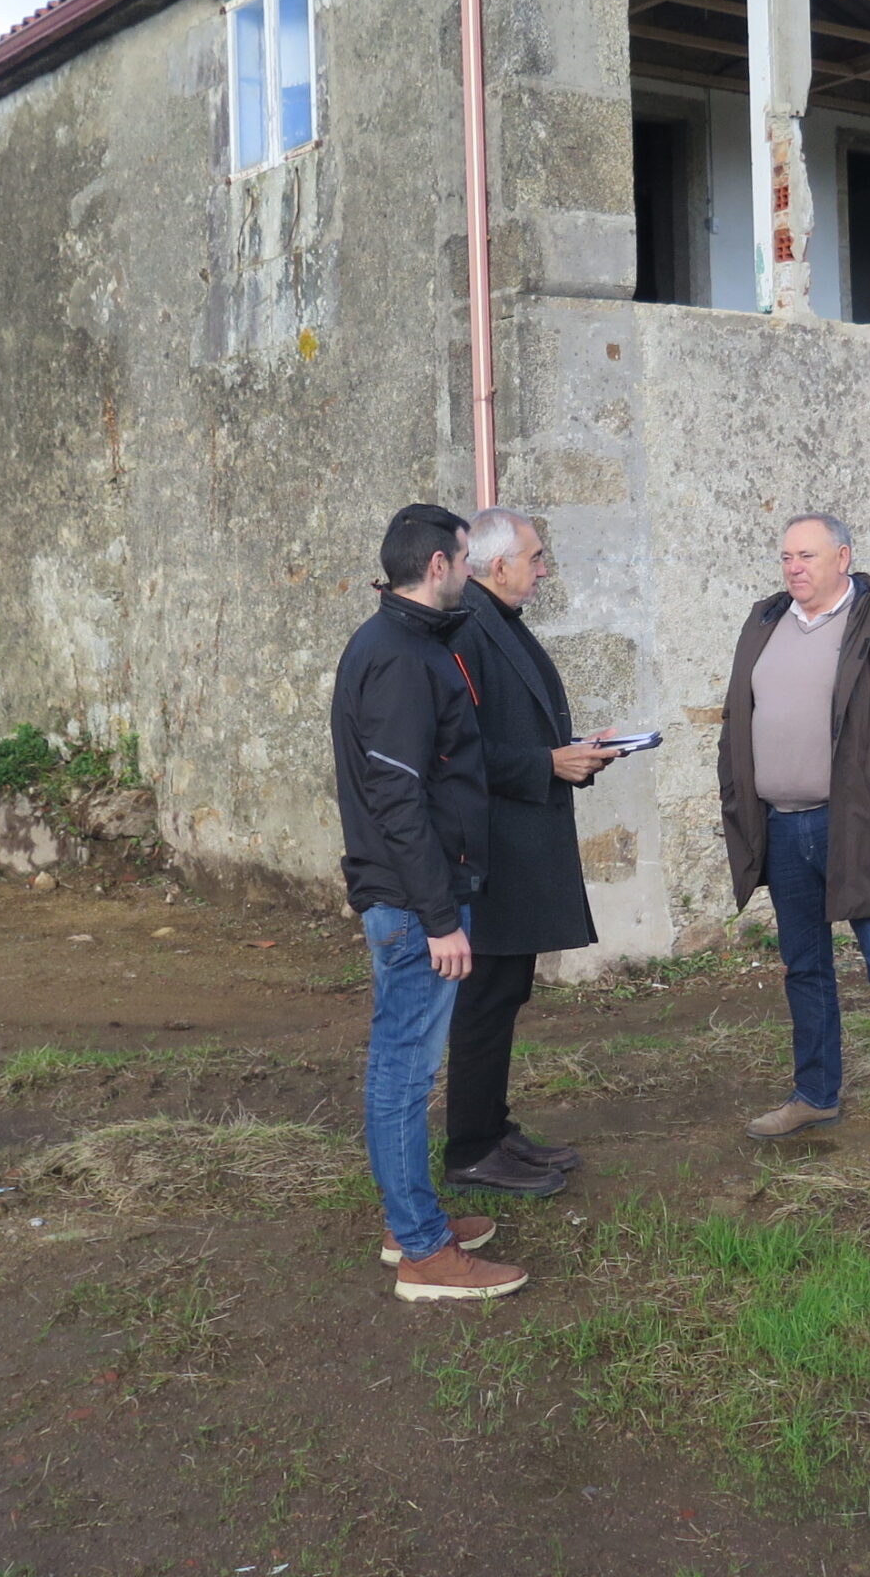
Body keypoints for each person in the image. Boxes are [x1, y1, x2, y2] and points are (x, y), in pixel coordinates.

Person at [329, 503, 525, 1303]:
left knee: (402, 1065)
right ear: (438, 566)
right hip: (415, 904)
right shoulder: (401, 658)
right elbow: (398, 799)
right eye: (466, 559)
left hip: (414, 896)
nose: (471, 573)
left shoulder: (402, 643)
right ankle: (421, 1252)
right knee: (405, 1073)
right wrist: (441, 916)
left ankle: (411, 1220)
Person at [718, 514, 870, 1154]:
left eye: (808, 556)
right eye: (786, 557)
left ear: (843, 558)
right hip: (781, 824)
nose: (794, 568)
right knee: (804, 967)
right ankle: (815, 1094)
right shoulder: (765, 621)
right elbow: (738, 719)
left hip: (856, 825)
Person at [442, 507, 619, 1197]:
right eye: (536, 557)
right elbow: (455, 751)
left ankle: (491, 1130)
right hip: (489, 848)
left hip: (515, 843)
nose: (544, 570)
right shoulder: (466, 627)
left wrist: (572, 754)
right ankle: (471, 1149)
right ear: (498, 565)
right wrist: (547, 763)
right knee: (485, 997)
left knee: (505, 990)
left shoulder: (497, 619)